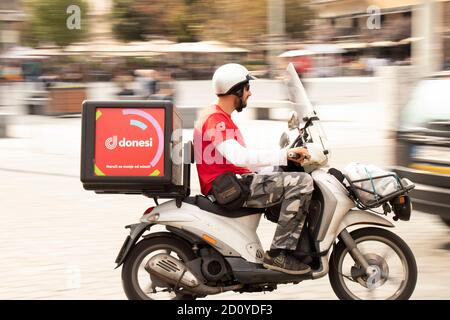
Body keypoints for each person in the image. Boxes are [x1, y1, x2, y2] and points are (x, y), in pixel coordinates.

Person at [193, 63, 314, 275]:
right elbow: (239, 157)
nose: (250, 93)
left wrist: (279, 162)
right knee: (302, 183)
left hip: (234, 182)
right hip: (228, 188)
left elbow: (241, 162)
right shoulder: (215, 120)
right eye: (247, 88)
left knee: (282, 173)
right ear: (236, 90)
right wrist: (284, 154)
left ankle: (299, 247)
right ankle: (280, 254)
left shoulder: (219, 117)